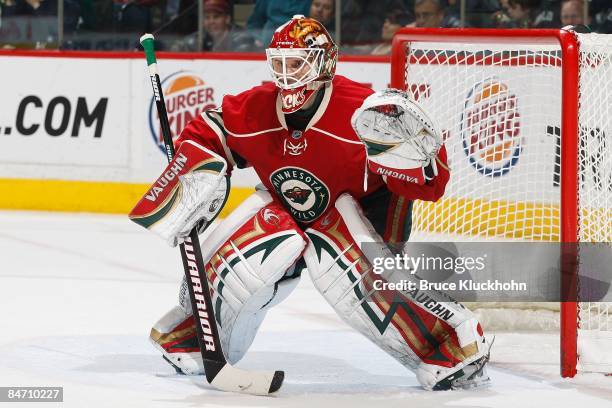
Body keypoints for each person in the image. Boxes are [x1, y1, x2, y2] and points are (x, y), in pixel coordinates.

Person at [130, 15, 491, 391]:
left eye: (298, 62)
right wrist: (190, 177)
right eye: (280, 63)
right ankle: (196, 336)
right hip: (291, 211)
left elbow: (429, 188)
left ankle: (454, 342)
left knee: (336, 268)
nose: (287, 74)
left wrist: (420, 165)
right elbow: (210, 131)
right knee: (244, 252)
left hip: (361, 217)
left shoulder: (363, 113)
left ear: (324, 64)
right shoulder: (257, 108)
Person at [171, 0, 255, 52]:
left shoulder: (242, 38)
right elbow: (178, 48)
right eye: (207, 18)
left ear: (227, 19)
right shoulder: (199, 37)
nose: (211, 21)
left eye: (216, 17)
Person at [246, 0, 311, 48]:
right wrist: (258, 39)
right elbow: (254, 23)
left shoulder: (309, 2)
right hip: (267, 47)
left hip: (300, 48)